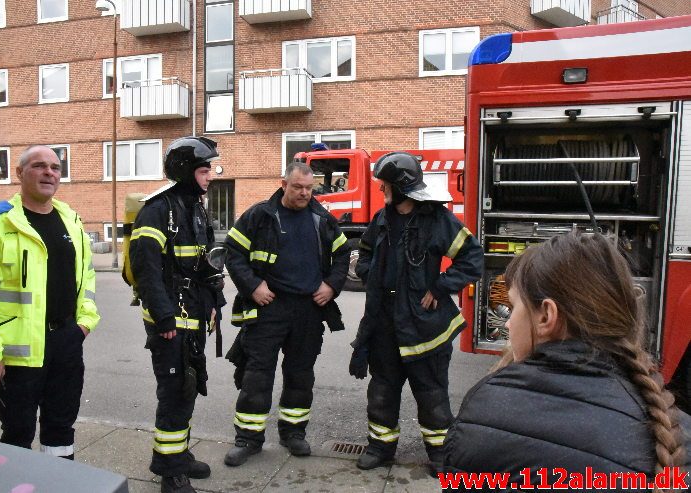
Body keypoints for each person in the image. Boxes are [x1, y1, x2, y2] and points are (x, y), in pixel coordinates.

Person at [441, 233, 689, 483]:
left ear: (546, 316)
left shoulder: (482, 413)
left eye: (514, 307)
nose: (507, 322)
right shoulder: (674, 435)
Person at [0, 145, 99, 460]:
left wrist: (84, 324)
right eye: (39, 165)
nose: (49, 172)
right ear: (19, 173)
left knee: (61, 429)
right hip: (15, 355)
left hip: (66, 343)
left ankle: (58, 483)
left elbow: (85, 278)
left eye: (55, 167)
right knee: (18, 432)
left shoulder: (70, 219)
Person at [348, 151, 483, 476]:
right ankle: (380, 447)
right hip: (384, 324)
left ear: (400, 186)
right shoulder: (382, 219)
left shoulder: (436, 219)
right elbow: (364, 253)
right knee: (382, 391)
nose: (381, 190)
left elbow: (472, 257)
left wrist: (439, 287)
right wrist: (370, 274)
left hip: (425, 328)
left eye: (385, 185)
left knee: (432, 396)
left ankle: (439, 456)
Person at [223, 162, 351, 467]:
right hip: (269, 307)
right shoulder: (260, 216)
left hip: (308, 310)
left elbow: (344, 254)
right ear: (284, 184)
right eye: (298, 187)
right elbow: (233, 252)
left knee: (300, 374)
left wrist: (332, 285)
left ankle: (293, 433)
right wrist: (253, 286)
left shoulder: (322, 218)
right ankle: (248, 439)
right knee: (257, 375)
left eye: (310, 188)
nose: (305, 193)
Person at [129, 136, 225, 493]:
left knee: (187, 387)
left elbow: (207, 262)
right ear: (186, 172)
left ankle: (178, 455)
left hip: (195, 316)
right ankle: (170, 473)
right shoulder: (157, 210)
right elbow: (146, 269)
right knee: (174, 393)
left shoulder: (195, 208)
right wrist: (165, 319)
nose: (210, 176)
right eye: (205, 170)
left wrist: (216, 300)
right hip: (171, 323)